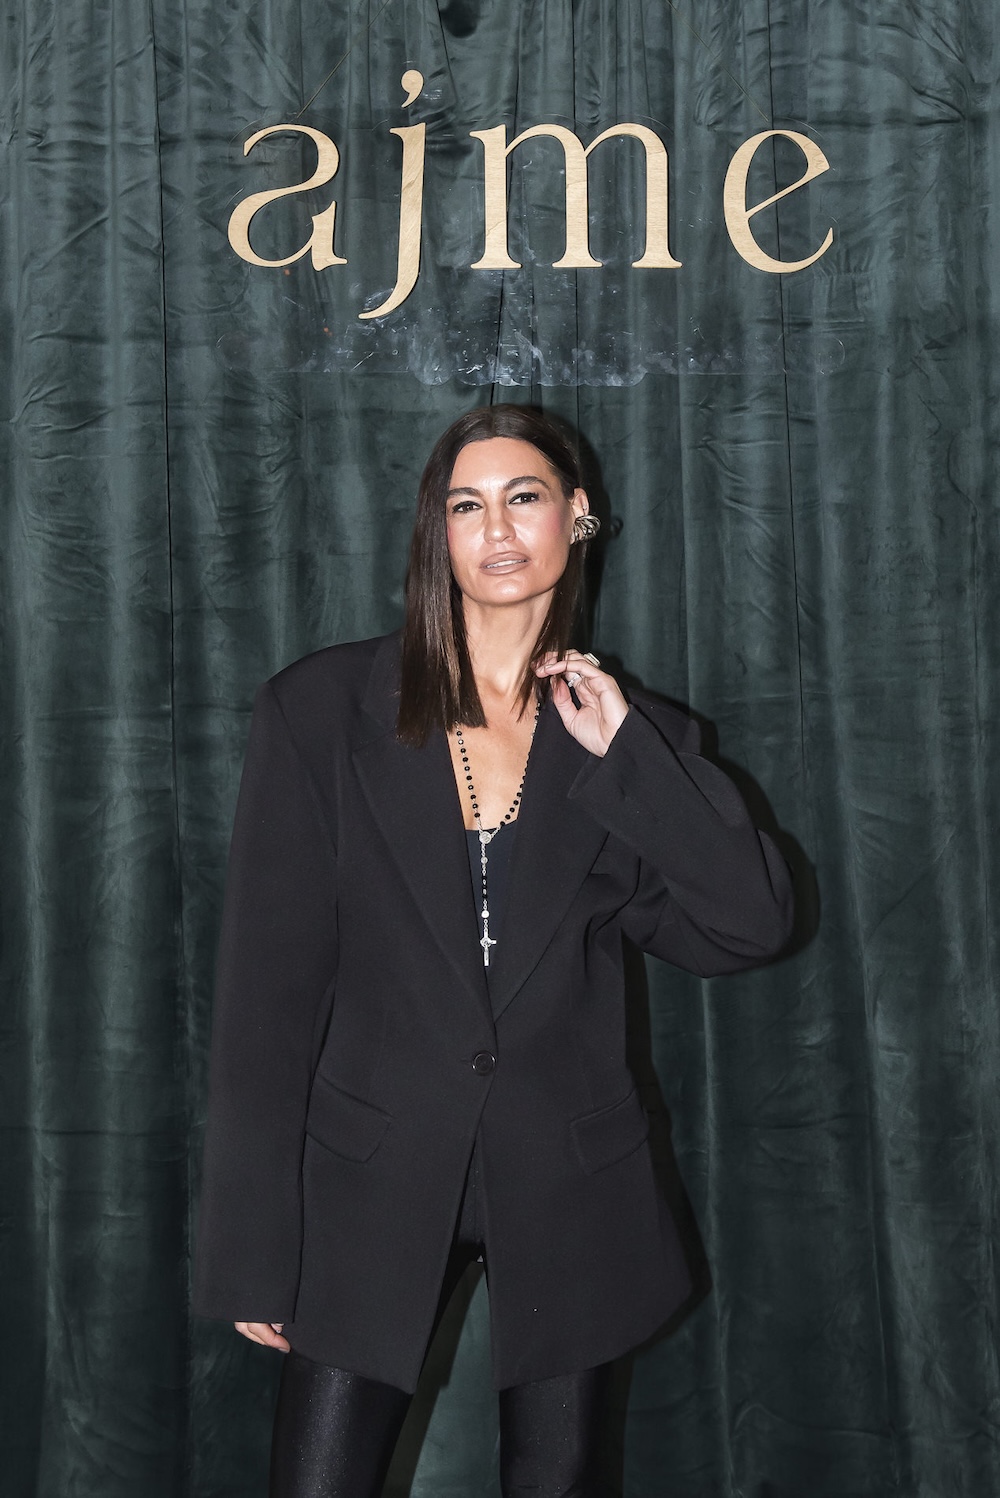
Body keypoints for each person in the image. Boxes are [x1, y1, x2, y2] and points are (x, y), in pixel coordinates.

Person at [193, 404, 794, 1497]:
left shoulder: (635, 737)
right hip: (370, 1184)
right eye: (466, 505)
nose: (498, 528)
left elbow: (749, 927)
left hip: (571, 1188)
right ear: (438, 532)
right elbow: (265, 1002)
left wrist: (631, 760)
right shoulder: (321, 711)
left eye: (524, 497)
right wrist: (251, 1245)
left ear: (578, 515)